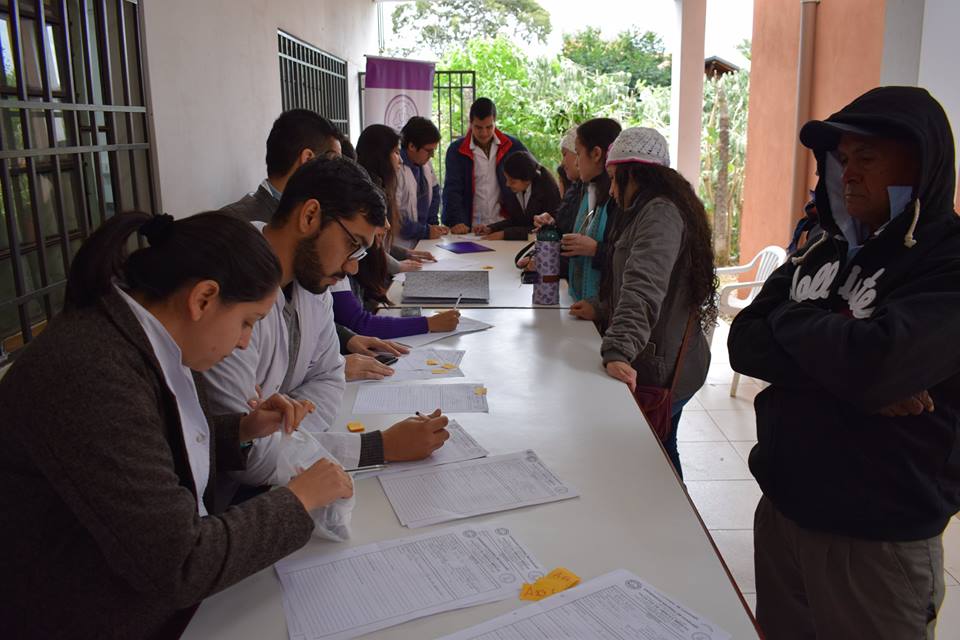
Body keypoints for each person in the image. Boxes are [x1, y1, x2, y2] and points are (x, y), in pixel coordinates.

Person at [0, 211, 354, 637]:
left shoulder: (145, 342)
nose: (245, 341)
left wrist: (241, 430)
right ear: (203, 298)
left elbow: (150, 452)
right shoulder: (89, 370)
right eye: (247, 322)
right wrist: (298, 500)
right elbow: (180, 562)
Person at [728, 86, 960, 638]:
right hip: (784, 511)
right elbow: (744, 342)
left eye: (868, 158)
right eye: (844, 160)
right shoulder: (824, 248)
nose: (849, 173)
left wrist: (792, 318)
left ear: (920, 162)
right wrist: (846, 365)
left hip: (876, 537)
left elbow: (878, 363)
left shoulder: (947, 261)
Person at [204, 157, 451, 502]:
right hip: (225, 503)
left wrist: (288, 439)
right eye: (353, 244)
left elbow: (329, 377)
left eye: (362, 253)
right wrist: (376, 447)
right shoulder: (231, 289)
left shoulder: (311, 283)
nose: (351, 267)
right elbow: (250, 457)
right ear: (309, 216)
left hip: (277, 485)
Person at [570, 127, 715, 478]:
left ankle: (674, 527)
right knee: (662, 447)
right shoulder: (648, 208)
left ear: (630, 173)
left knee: (658, 458)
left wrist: (617, 350)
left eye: (614, 178)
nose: (613, 190)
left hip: (663, 365)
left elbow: (645, 286)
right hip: (658, 354)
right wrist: (601, 307)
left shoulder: (660, 213)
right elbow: (646, 280)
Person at [221, 110, 407, 383]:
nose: (351, 266)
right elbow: (245, 413)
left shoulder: (310, 260)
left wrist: (342, 346)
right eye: (334, 161)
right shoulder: (237, 240)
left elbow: (323, 372)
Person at [355, 123, 435, 272]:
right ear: (380, 156)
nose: (401, 160)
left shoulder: (380, 186)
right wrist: (399, 266)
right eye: (396, 153)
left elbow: (381, 245)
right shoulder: (367, 193)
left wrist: (407, 254)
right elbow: (370, 248)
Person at [441, 97, 527, 234]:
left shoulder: (513, 146)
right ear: (470, 123)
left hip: (504, 225)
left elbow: (529, 181)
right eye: (478, 127)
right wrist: (457, 221)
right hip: (470, 227)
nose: (484, 133)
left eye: (489, 127)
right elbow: (452, 189)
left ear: (495, 122)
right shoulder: (456, 150)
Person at [562, 118, 622, 301]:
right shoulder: (586, 190)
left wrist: (596, 250)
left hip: (607, 306)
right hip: (583, 302)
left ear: (596, 154)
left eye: (578, 154)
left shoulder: (618, 198)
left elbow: (633, 260)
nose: (576, 163)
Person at [476, 151, 561, 240]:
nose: (507, 184)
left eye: (513, 181)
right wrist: (491, 228)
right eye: (507, 179)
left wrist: (505, 234)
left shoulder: (547, 191)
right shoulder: (518, 190)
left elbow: (544, 228)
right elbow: (516, 220)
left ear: (527, 179)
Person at [397, 116, 448, 246]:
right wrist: (425, 232)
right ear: (412, 146)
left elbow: (435, 193)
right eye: (429, 151)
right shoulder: (396, 169)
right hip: (401, 244)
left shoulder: (425, 164)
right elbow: (396, 218)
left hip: (423, 240)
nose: (432, 156)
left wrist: (432, 225)